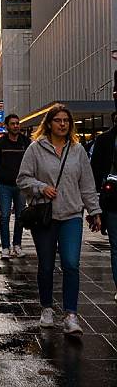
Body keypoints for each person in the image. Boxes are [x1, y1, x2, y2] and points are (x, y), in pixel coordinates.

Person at [17, 104, 101, 335]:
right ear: (49, 123)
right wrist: (41, 187)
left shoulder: (78, 150)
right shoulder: (35, 149)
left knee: (71, 264)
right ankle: (46, 309)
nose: (62, 124)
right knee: (45, 266)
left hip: (72, 215)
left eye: (65, 120)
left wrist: (94, 211)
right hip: (45, 216)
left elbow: (87, 184)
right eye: (57, 120)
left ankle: (71, 315)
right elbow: (22, 179)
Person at [0, 114, 31, 259]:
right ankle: (5, 247)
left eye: (17, 123)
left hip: (21, 186)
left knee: (21, 217)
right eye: (13, 124)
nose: (16, 126)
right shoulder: (0, 143)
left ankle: (17, 245)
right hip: (5, 186)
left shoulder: (25, 142)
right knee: (4, 216)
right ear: (7, 126)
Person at [91, 111, 117, 302]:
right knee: (116, 247)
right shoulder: (105, 141)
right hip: (113, 201)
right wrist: (94, 207)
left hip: (111, 200)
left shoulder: (104, 140)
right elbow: (95, 171)